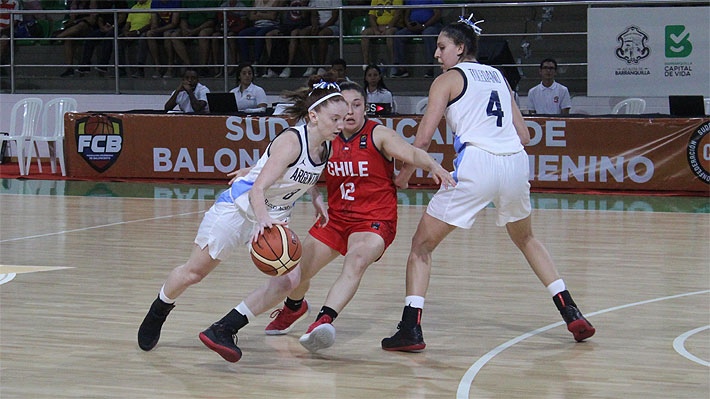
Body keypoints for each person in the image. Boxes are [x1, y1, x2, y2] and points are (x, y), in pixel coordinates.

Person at [381, 16, 595, 352]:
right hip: (514, 163)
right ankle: (570, 309)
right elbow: (524, 135)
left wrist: (403, 177)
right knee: (526, 238)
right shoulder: (500, 77)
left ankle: (410, 328)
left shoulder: (448, 80)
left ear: (460, 48)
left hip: (477, 163)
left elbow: (421, 141)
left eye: (441, 47)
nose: (436, 55)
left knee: (421, 247)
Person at [199, 81, 455, 361]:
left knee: (356, 261)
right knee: (293, 274)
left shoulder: (377, 134)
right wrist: (256, 170)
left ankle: (323, 321)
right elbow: (294, 164)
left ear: (365, 107)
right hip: (335, 220)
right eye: (344, 107)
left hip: (374, 221)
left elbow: (412, 153)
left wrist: (434, 166)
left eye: (357, 105)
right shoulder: (326, 139)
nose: (350, 112)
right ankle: (282, 310)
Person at [137, 75, 347, 360]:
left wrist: (316, 198)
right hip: (241, 206)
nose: (341, 125)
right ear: (313, 115)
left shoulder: (326, 145)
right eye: (335, 118)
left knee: (289, 281)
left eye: (344, 118)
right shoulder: (291, 141)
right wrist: (261, 221)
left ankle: (224, 328)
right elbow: (258, 189)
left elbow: (303, 176)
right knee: (194, 272)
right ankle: (160, 307)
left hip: (274, 213)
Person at [391, 0, 442, 78]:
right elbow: (407, 12)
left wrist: (424, 26)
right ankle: (402, 69)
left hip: (431, 25)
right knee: (399, 35)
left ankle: (431, 68)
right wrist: (408, 24)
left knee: (428, 34)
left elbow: (437, 14)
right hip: (414, 25)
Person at [168, 0, 219, 77]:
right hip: (189, 27)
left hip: (205, 27)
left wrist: (195, 31)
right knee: (175, 36)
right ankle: (190, 66)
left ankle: (203, 67)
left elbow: (211, 21)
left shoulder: (211, 1)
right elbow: (183, 18)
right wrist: (185, 29)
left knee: (203, 34)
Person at [237, 0, 281, 70]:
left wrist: (259, 14)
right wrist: (266, 14)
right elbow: (251, 17)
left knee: (259, 34)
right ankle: (246, 61)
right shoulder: (257, 1)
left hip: (271, 25)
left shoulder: (275, 1)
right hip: (257, 26)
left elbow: (273, 16)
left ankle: (257, 61)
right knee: (242, 34)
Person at [360, 0, 402, 72]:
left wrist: (387, 27)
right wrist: (376, 29)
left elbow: (397, 15)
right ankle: (366, 64)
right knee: (365, 33)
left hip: (394, 26)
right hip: (379, 26)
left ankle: (393, 66)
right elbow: (371, 16)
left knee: (389, 33)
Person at [211, 0, 248, 78]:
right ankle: (216, 65)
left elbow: (244, 22)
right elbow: (219, 19)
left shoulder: (242, 7)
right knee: (215, 36)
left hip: (236, 30)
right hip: (223, 29)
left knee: (230, 36)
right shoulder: (223, 5)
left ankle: (233, 64)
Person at [303, 0, 340, 76]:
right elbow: (314, 14)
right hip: (319, 26)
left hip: (333, 26)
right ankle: (311, 66)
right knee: (303, 33)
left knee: (322, 34)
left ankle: (321, 67)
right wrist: (314, 26)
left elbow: (335, 16)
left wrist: (322, 27)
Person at [145, 0, 180, 79]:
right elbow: (154, 21)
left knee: (167, 34)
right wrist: (154, 28)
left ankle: (170, 68)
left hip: (174, 28)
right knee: (149, 34)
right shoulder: (155, 2)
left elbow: (174, 23)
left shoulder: (176, 1)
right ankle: (158, 67)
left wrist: (159, 30)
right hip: (161, 28)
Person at [120, 0, 153, 78]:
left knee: (143, 38)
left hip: (143, 31)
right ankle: (120, 70)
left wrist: (138, 32)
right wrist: (126, 32)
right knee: (118, 39)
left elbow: (151, 23)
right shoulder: (134, 7)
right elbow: (127, 24)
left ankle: (140, 70)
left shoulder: (152, 4)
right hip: (131, 32)